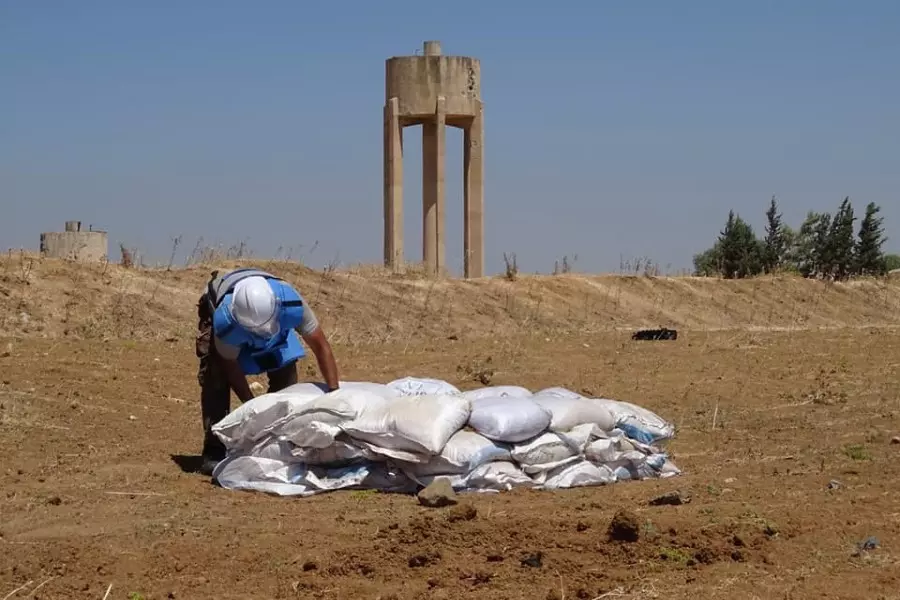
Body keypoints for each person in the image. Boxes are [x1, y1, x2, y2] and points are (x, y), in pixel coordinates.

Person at [194, 267, 340, 475]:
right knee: (215, 376)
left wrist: (334, 393)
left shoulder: (291, 303)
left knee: (286, 372)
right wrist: (254, 408)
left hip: (276, 329)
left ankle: (282, 438)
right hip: (226, 324)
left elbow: (321, 346)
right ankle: (214, 449)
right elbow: (231, 368)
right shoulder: (225, 322)